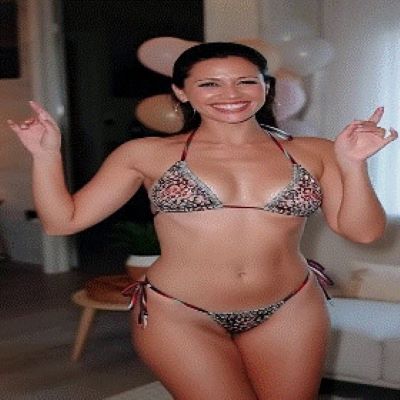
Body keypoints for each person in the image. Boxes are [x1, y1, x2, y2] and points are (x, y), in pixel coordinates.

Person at [8, 42, 397, 400]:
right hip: (180, 311)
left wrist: (353, 165)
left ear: (265, 87)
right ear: (181, 92)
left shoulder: (316, 151)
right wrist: (45, 156)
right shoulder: (145, 153)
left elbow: (364, 232)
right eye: (210, 84)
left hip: (290, 306)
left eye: (246, 81)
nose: (231, 94)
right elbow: (63, 221)